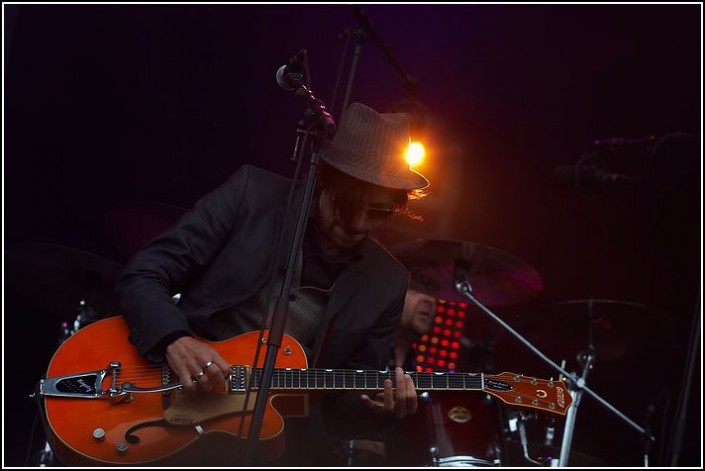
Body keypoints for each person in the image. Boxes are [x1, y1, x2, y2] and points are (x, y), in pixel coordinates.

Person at [115, 102, 429, 466]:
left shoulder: (387, 281)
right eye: (348, 205)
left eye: (377, 212)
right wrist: (174, 338)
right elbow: (144, 272)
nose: (358, 224)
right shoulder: (252, 194)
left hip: (272, 447)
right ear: (323, 180)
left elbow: (341, 413)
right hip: (169, 402)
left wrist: (381, 409)